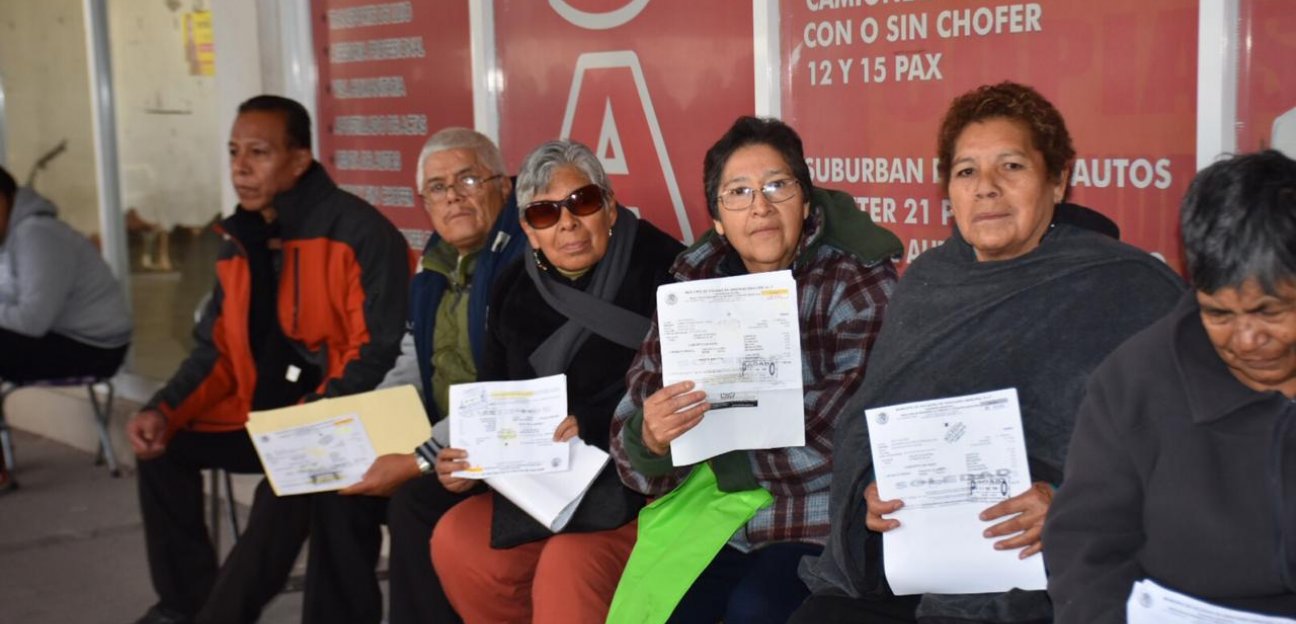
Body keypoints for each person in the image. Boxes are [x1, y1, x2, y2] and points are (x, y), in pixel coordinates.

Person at [795, 81, 1186, 623]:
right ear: (947, 192)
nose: (986, 189)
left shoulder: (1129, 288)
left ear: (1058, 180)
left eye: (1012, 167)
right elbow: (868, 424)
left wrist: (1072, 500)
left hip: (1058, 573)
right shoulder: (926, 284)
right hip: (915, 564)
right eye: (966, 172)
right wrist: (870, 492)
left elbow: (1184, 445)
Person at [125, 95, 410, 624]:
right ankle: (182, 605)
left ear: (299, 160)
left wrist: (305, 425)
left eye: (259, 152)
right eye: (234, 151)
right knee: (162, 448)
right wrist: (164, 409)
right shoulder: (241, 237)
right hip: (258, 414)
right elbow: (216, 352)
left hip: (342, 418)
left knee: (286, 485)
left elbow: (375, 354)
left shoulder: (357, 233)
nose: (240, 166)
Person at [608, 116, 902, 624]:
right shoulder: (691, 284)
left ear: (806, 201)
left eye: (776, 186)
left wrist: (715, 452)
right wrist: (652, 441)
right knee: (663, 611)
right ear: (719, 219)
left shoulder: (856, 280)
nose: (759, 207)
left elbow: (847, 432)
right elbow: (630, 427)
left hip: (817, 519)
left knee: (757, 609)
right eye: (738, 192)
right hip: (713, 517)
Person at [428, 139, 685, 623]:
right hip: (542, 475)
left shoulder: (666, 268)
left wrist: (590, 422)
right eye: (545, 214)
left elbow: (680, 388)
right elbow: (493, 394)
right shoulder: (512, 285)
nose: (567, 223)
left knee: (567, 565)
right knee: (457, 540)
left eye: (582, 203)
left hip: (633, 474)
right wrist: (467, 457)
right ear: (527, 229)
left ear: (609, 207)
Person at [1044, 150, 1296, 621]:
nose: (1247, 340)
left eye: (1269, 312)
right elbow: (1086, 552)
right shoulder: (1138, 380)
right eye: (1219, 313)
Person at [303, 127, 525, 624]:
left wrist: (417, 459)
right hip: (444, 436)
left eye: (468, 179)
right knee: (340, 492)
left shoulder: (522, 261)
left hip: (505, 440)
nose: (453, 197)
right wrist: (369, 433)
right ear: (424, 201)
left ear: (503, 187)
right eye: (438, 188)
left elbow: (505, 394)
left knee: (412, 501)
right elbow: (409, 363)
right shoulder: (433, 264)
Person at [0, 164, 132, 489]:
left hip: (95, 348)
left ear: (6, 199)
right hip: (62, 337)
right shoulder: (13, 236)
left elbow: (31, 320)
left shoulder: (37, 235)